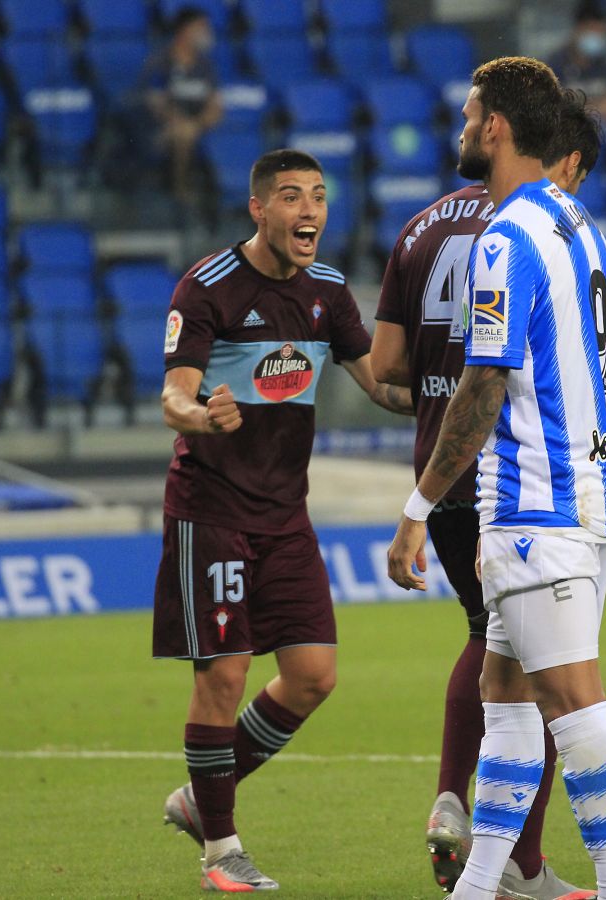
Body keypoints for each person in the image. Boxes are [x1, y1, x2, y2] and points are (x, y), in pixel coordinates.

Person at [372, 89, 606, 898]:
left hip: (536, 503)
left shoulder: (504, 237)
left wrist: (417, 509)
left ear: (496, 128)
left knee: (573, 704)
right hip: (575, 490)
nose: (463, 129)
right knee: (503, 700)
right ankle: (478, 889)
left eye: (471, 116)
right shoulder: (576, 223)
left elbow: (483, 386)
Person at [152, 148, 414, 892]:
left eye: (320, 197)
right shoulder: (207, 288)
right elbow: (172, 396)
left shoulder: (328, 290)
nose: (309, 211)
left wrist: (450, 398)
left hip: (284, 515)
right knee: (223, 679)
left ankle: (199, 800)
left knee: (311, 677)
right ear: (258, 208)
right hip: (213, 511)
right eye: (293, 197)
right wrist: (202, 415)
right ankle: (220, 851)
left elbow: (379, 387)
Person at [143, 6, 224, 201]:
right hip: (162, 128)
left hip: (198, 127)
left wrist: (197, 124)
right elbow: (156, 103)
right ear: (185, 30)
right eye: (202, 27)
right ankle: (180, 194)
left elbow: (215, 105)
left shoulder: (205, 66)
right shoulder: (161, 62)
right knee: (182, 134)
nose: (207, 33)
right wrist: (181, 122)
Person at [548, 1, 606, 125]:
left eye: (601, 32)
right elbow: (554, 111)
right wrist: (601, 107)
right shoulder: (555, 64)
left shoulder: (604, 64)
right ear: (577, 29)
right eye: (592, 30)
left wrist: (581, 109)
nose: (597, 36)